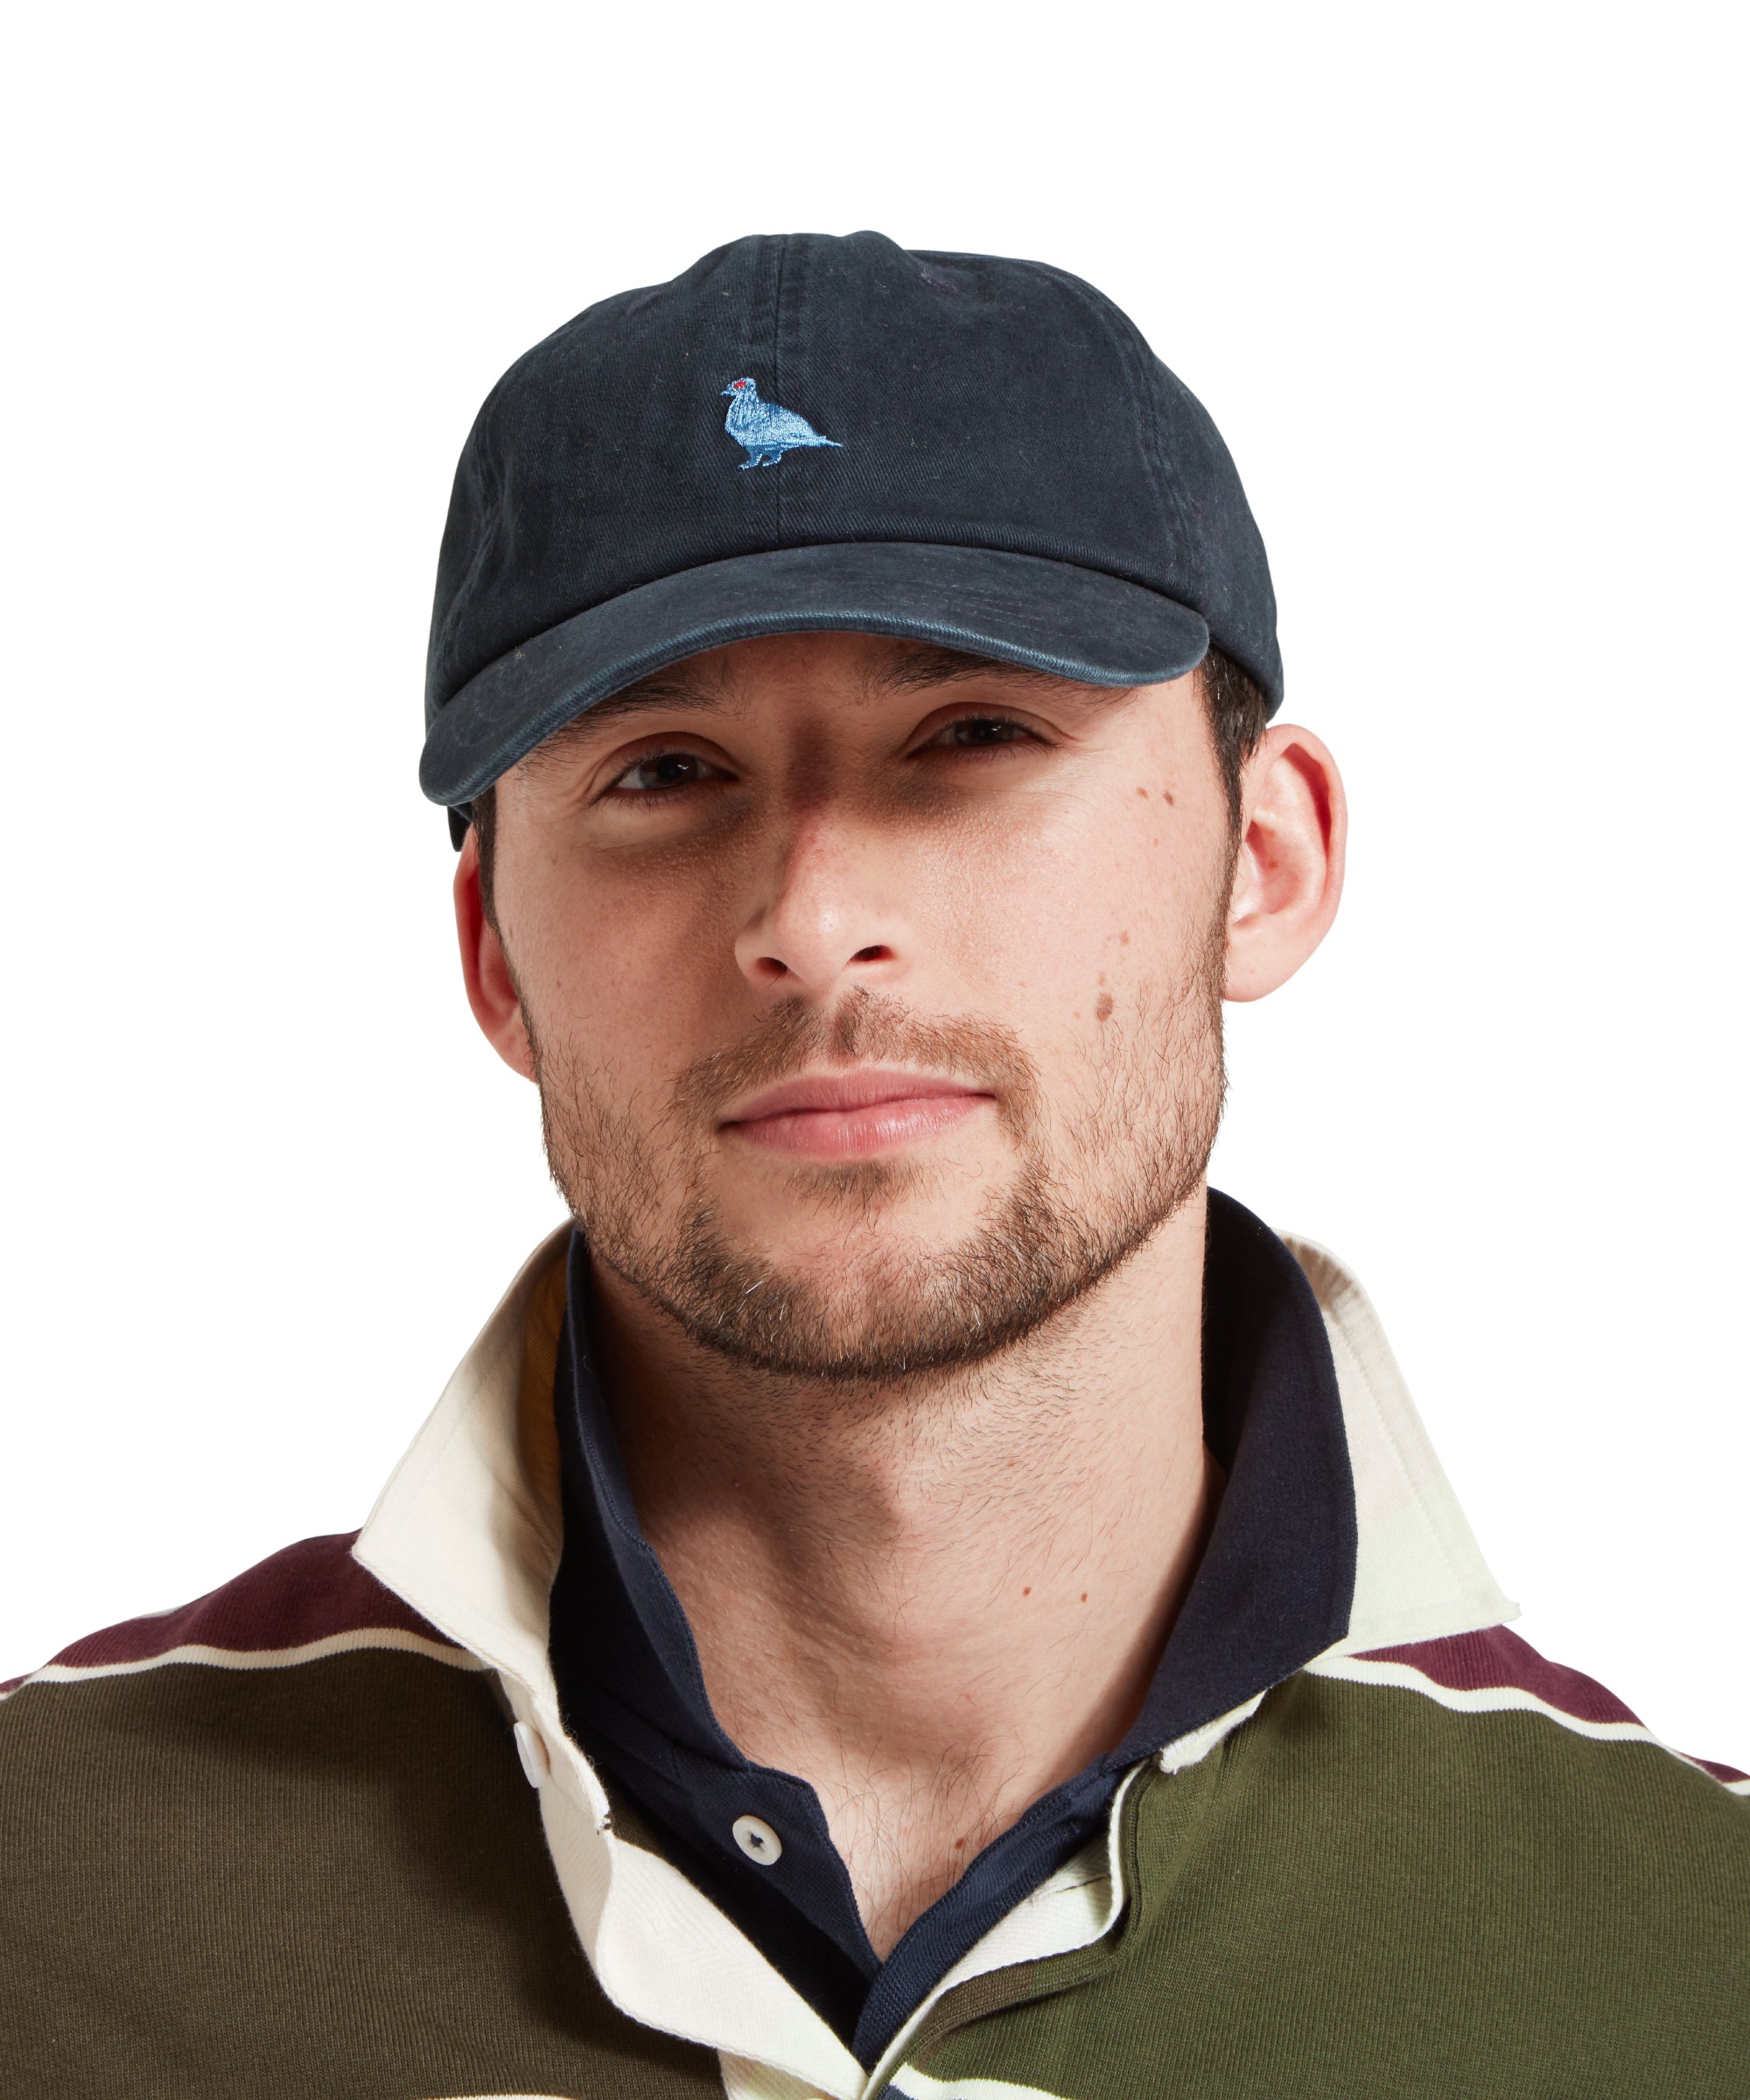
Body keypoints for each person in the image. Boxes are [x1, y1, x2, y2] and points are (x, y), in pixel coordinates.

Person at [3, 231, 1744, 2099]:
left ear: (1265, 857)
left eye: (973, 736)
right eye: (663, 774)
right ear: (494, 954)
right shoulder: (50, 1910)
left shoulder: (1688, 1957)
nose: (814, 920)